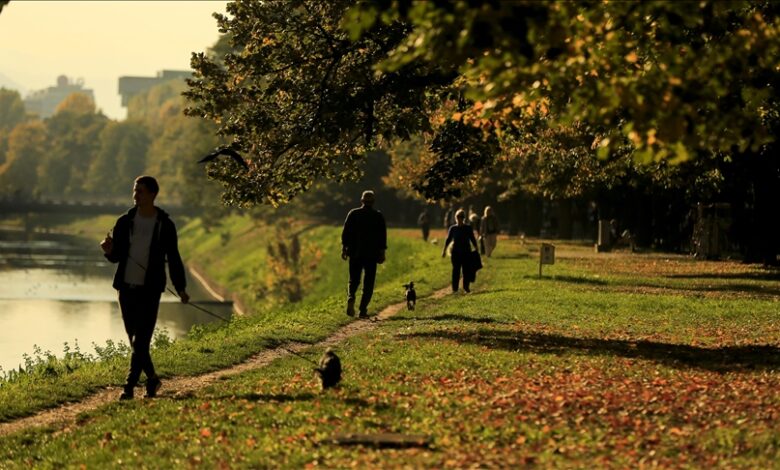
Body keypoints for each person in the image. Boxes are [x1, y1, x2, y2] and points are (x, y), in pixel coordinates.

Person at [100, 176, 189, 400]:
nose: (135, 195)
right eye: (134, 191)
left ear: (152, 194)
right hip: (125, 288)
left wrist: (181, 288)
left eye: (140, 191)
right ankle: (152, 379)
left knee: (141, 340)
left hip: (150, 289)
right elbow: (117, 257)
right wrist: (109, 250)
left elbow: (174, 257)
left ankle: (129, 386)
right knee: (134, 339)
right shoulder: (124, 222)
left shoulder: (164, 225)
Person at [341, 190, 387, 318]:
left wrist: (344, 249)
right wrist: (382, 252)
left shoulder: (353, 213)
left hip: (355, 253)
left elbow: (346, 233)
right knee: (369, 282)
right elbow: (382, 236)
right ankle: (362, 310)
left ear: (362, 201)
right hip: (371, 254)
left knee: (353, 279)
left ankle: (351, 296)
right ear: (373, 202)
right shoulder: (378, 216)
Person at [442, 209, 478, 293]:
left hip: (466, 252)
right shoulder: (453, 228)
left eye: (461, 217)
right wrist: (444, 250)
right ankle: (455, 289)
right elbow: (448, 239)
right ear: (455, 218)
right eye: (458, 217)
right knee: (456, 271)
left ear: (464, 218)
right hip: (455, 253)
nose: (459, 219)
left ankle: (466, 287)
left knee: (466, 271)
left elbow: (472, 238)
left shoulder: (468, 228)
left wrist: (476, 247)